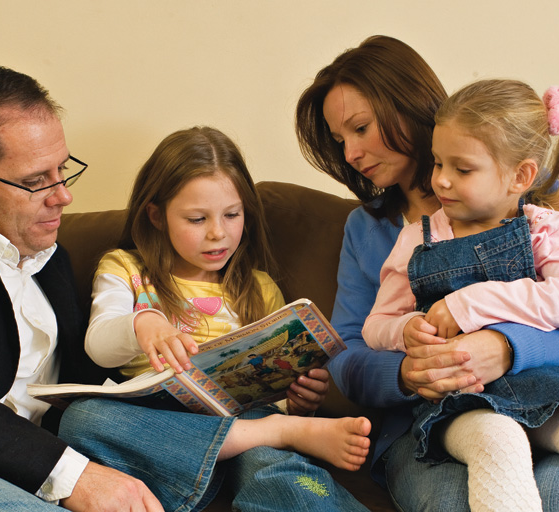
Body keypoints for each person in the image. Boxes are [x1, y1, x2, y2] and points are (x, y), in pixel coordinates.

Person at [295, 35, 559, 511]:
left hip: (542, 393)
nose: (351, 153)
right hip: (427, 421)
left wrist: (506, 347)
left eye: (360, 128)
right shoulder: (374, 229)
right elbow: (348, 350)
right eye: (340, 141)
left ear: (406, 106)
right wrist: (410, 371)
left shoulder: (531, 202)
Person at [60, 125, 372, 511]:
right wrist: (143, 323)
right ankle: (282, 433)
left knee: (271, 467)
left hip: (245, 418)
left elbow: (271, 385)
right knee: (81, 420)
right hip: (157, 424)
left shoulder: (257, 287)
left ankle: (282, 432)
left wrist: (298, 404)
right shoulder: (126, 268)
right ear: (156, 216)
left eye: (232, 214)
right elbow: (99, 347)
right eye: (196, 219)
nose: (218, 234)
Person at [0, 64, 163, 511]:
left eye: (63, 170)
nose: (63, 196)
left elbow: (86, 386)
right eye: (35, 181)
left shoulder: (52, 260)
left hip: (33, 466)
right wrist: (70, 474)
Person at [362, 79, 559, 511]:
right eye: (437, 163)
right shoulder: (418, 238)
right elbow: (375, 326)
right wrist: (407, 329)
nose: (441, 181)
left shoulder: (546, 231)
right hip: (460, 407)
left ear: (521, 176)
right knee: (499, 439)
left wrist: (468, 303)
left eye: (462, 169)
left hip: (547, 392)